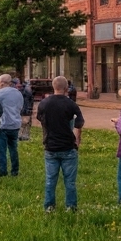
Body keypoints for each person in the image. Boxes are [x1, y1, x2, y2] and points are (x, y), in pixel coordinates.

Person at [37, 76, 85, 212]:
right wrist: (77, 141)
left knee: (50, 180)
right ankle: (71, 207)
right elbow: (79, 124)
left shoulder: (44, 103)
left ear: (53, 87)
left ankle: (49, 206)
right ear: (66, 88)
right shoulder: (71, 104)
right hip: (68, 146)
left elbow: (41, 120)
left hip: (50, 146)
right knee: (70, 181)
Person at [0, 74, 24, 177]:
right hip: (15, 124)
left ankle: (3, 171)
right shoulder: (18, 94)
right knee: (13, 148)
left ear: (2, 83)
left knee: (1, 150)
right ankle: (15, 171)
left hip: (3, 125)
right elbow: (21, 107)